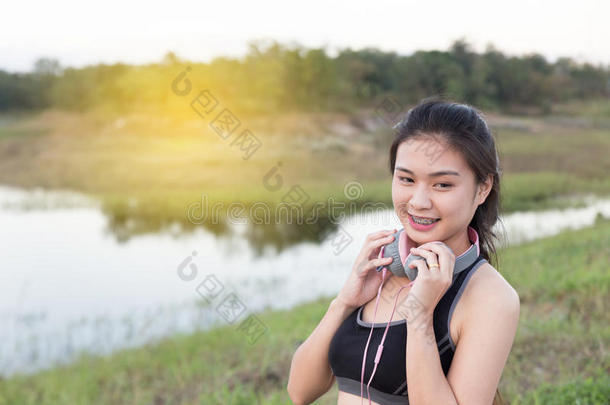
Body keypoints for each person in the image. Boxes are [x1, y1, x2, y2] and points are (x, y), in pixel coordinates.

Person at [287, 98, 520, 405]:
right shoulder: (384, 265)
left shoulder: (491, 298)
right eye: (406, 179)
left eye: (442, 185)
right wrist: (344, 302)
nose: (419, 201)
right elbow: (300, 391)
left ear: (482, 188)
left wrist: (420, 317)